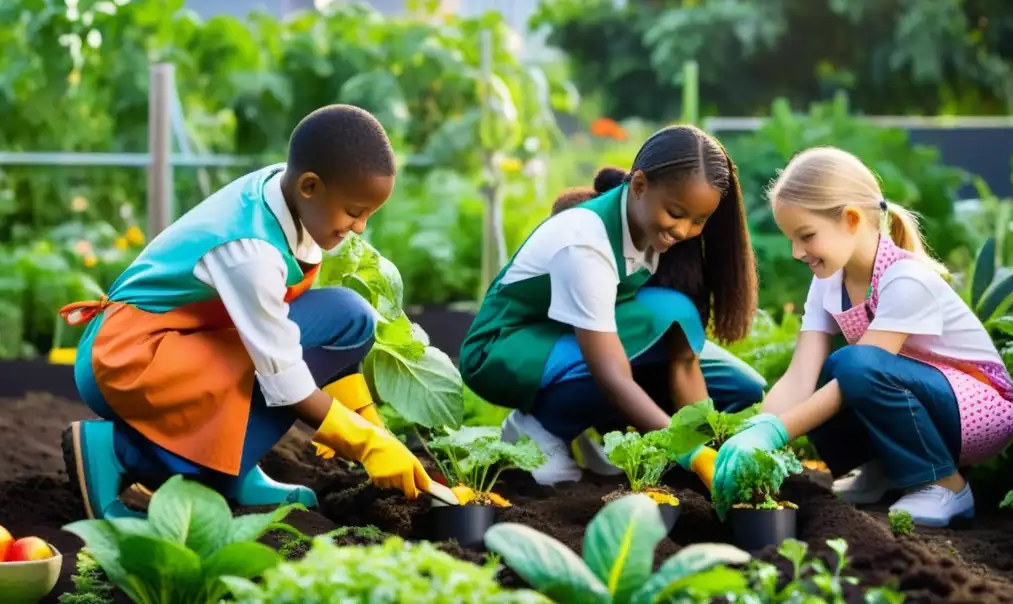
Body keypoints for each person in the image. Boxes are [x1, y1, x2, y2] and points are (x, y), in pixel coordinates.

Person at [60, 105, 431, 520]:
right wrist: (366, 444)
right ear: (310, 186)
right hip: (129, 358)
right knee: (284, 365)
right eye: (354, 212)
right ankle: (119, 454)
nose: (360, 227)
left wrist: (368, 420)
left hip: (185, 340)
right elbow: (285, 380)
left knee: (348, 317)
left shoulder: (291, 193)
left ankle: (230, 470)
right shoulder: (249, 252)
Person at [713, 146, 1013, 527]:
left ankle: (947, 484)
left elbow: (861, 375)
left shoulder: (906, 279)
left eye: (806, 235)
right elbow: (800, 377)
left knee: (851, 366)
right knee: (833, 370)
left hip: (980, 410)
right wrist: (755, 430)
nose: (797, 252)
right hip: (919, 396)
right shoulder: (828, 283)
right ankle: (885, 470)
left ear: (850, 219)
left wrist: (777, 432)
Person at [459, 124, 766, 488]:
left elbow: (683, 359)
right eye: (676, 213)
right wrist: (690, 451)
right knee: (650, 336)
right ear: (639, 186)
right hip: (507, 346)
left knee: (738, 385)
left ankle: (613, 437)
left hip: (578, 335)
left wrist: (705, 442)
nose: (684, 231)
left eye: (698, 221)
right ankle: (538, 428)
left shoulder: (653, 229)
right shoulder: (586, 243)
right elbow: (612, 375)